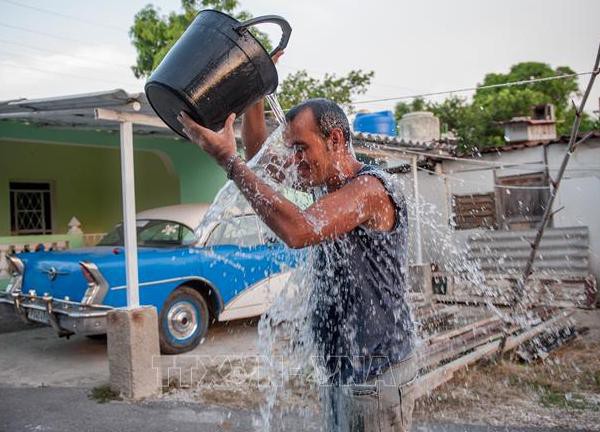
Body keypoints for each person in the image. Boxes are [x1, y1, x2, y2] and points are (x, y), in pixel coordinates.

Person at [177, 91, 416, 431]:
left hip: (377, 372)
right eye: (291, 149)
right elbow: (258, 158)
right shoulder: (322, 181)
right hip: (343, 366)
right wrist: (253, 91)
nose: (295, 160)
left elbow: (299, 230)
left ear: (334, 139)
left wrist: (230, 163)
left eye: (301, 148)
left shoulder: (370, 190)